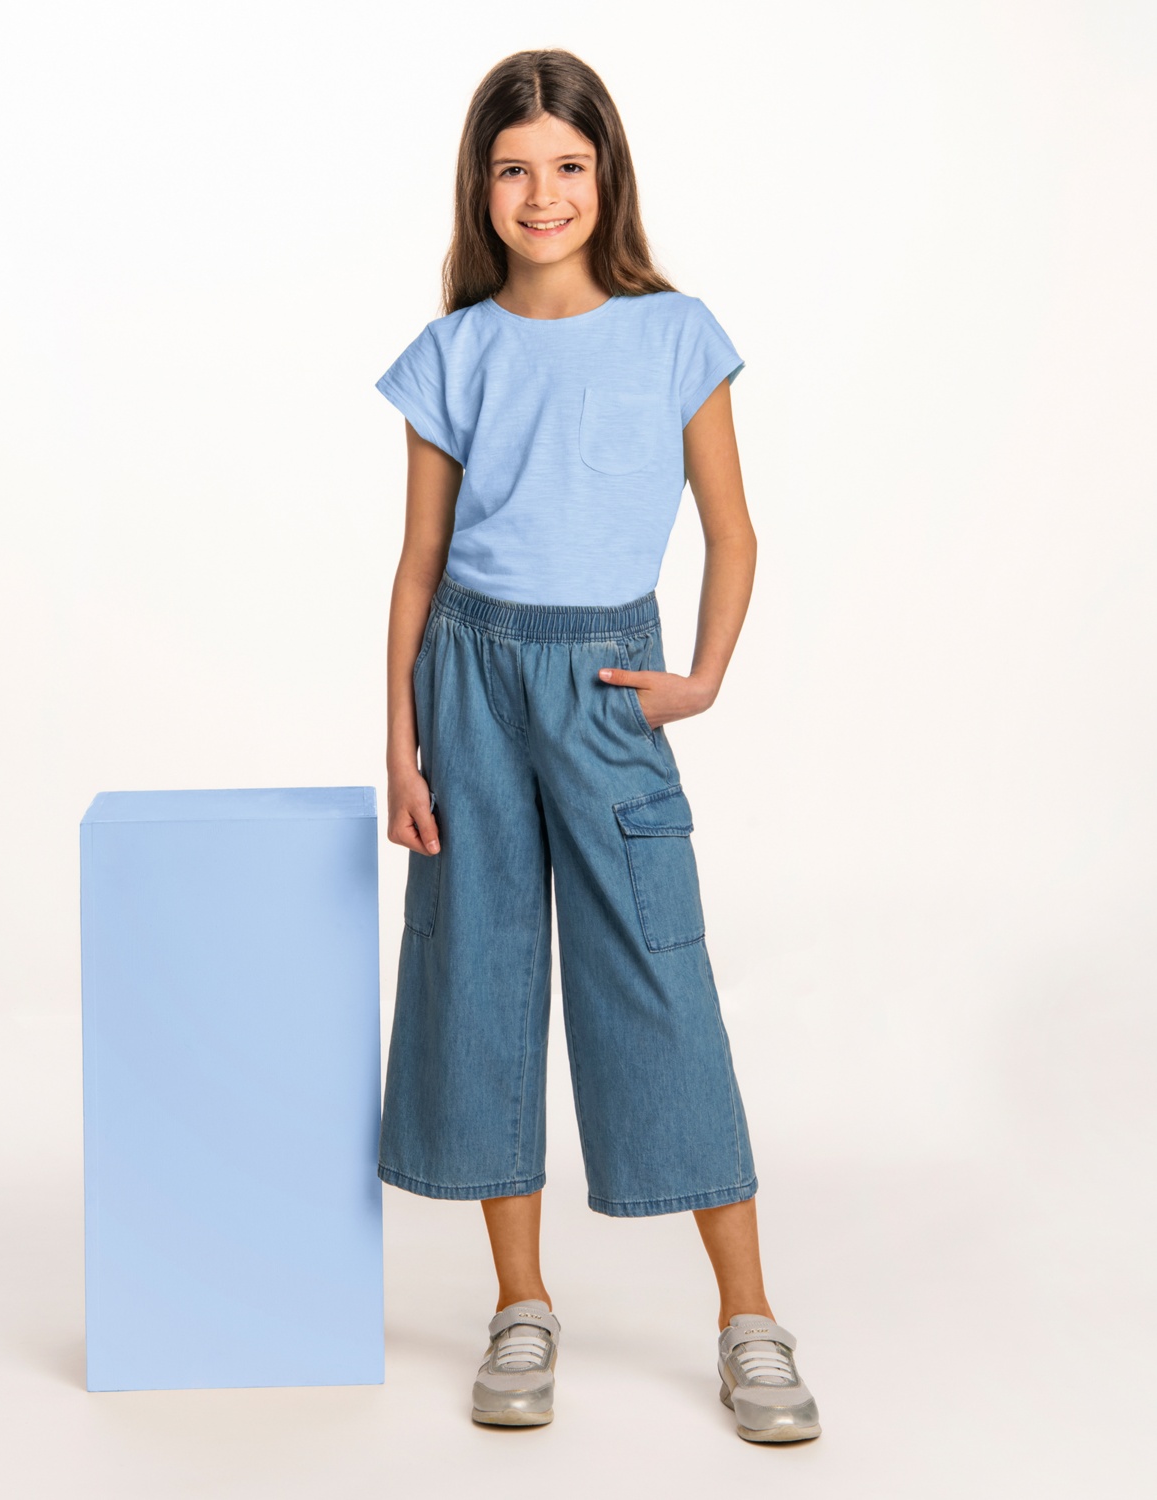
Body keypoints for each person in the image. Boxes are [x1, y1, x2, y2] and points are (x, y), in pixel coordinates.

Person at [376, 49, 821, 1442]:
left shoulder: (675, 332)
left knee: (658, 978)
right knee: (481, 976)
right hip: (467, 678)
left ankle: (749, 1318)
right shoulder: (453, 352)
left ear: (605, 174)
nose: (542, 194)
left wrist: (703, 678)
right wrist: (400, 746)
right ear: (480, 186)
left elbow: (734, 529)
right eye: (513, 168)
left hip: (607, 680)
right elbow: (417, 565)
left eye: (567, 165)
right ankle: (522, 1302)